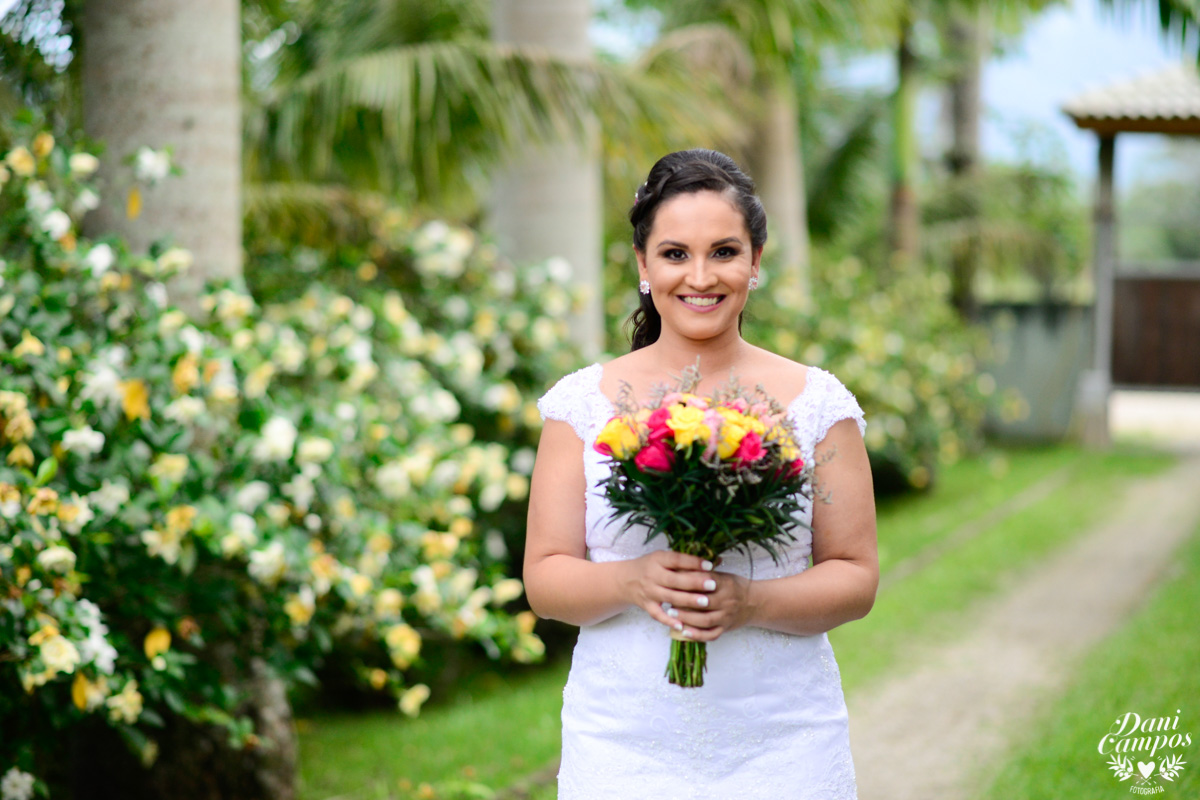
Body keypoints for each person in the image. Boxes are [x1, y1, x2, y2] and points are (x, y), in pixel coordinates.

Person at [524, 148, 878, 799]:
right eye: (675, 253)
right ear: (642, 265)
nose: (700, 275)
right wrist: (632, 581)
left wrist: (750, 603)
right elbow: (545, 578)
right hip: (622, 743)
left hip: (784, 740)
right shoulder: (580, 406)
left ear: (756, 262)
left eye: (724, 251)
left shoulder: (817, 404)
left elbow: (855, 577)